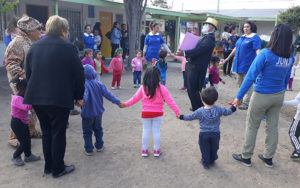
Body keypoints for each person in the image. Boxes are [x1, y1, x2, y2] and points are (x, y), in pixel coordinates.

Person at [24, 15, 85, 178]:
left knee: (47, 132)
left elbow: (28, 74)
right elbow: (79, 75)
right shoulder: (69, 48)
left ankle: (48, 167)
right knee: (58, 133)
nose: (68, 34)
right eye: (67, 31)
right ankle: (58, 169)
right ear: (63, 31)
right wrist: (79, 96)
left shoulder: (34, 47)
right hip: (59, 99)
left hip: (37, 98)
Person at [232, 24, 294, 168]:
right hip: (278, 96)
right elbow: (285, 79)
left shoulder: (265, 54)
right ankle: (268, 157)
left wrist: (238, 97)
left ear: (275, 36)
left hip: (261, 95)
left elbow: (250, 77)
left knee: (252, 126)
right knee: (272, 127)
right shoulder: (290, 57)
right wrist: (281, 92)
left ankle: (246, 157)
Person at [119, 66, 180, 157]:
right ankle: (156, 150)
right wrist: (177, 112)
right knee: (156, 132)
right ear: (158, 77)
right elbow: (170, 101)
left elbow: (134, 99)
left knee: (146, 131)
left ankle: (144, 150)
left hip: (146, 113)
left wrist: (126, 104)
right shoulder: (162, 88)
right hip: (158, 114)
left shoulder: (142, 88)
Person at [5, 16, 42, 147]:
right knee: (21, 109)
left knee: (32, 108)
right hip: (21, 83)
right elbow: (11, 64)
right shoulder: (18, 42)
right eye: (39, 29)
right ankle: (13, 137)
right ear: (30, 30)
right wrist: (25, 77)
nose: (41, 31)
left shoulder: (30, 41)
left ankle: (31, 130)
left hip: (30, 81)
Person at [179, 87, 236, 169]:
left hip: (204, 134)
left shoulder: (200, 111)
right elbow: (228, 112)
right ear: (215, 99)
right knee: (214, 147)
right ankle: (212, 159)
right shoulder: (219, 109)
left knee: (204, 148)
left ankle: (206, 162)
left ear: (203, 99)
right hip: (215, 133)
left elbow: (190, 117)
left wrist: (181, 117)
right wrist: (234, 107)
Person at [81, 65, 121, 156]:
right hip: (98, 113)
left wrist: (81, 101)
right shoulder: (99, 84)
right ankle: (99, 146)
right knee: (98, 129)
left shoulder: (84, 85)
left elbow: (84, 97)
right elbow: (108, 95)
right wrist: (118, 102)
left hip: (87, 114)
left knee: (87, 132)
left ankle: (89, 149)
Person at [181, 17, 218, 111]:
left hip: (196, 66)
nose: (203, 26)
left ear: (210, 28)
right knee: (191, 88)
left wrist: (185, 53)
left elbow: (199, 50)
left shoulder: (209, 38)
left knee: (192, 88)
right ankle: (196, 106)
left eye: (206, 25)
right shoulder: (206, 37)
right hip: (194, 65)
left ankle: (198, 107)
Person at [224, 21, 261, 110]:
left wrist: (259, 61)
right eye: (244, 27)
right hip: (238, 64)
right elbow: (236, 48)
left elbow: (257, 50)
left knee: (247, 84)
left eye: (247, 27)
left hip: (247, 65)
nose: (245, 28)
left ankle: (246, 102)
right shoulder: (242, 37)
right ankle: (239, 100)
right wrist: (228, 58)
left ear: (251, 27)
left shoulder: (255, 37)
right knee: (240, 84)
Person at [10, 77, 40, 166]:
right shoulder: (17, 99)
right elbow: (27, 107)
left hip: (23, 122)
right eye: (28, 89)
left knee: (27, 139)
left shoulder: (22, 97)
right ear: (23, 89)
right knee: (24, 142)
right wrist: (32, 99)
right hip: (17, 123)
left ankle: (28, 155)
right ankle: (15, 156)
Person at [283, 92, 300, 159]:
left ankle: (298, 150)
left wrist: (283, 102)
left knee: (292, 134)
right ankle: (297, 151)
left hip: (299, 119)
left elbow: (296, 101)